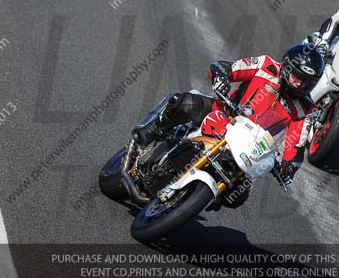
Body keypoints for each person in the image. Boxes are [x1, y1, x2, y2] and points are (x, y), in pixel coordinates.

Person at [133, 44, 324, 204]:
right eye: (297, 77)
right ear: (287, 67)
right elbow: (225, 67)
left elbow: (296, 145)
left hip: (249, 148)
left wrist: (289, 166)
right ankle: (151, 131)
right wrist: (221, 79)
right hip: (224, 114)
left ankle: (194, 199)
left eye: (307, 82)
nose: (299, 84)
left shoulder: (306, 109)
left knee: (238, 196)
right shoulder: (266, 66)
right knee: (187, 103)